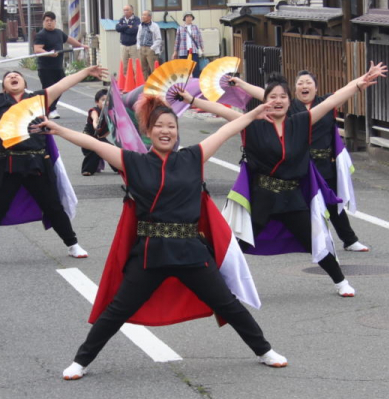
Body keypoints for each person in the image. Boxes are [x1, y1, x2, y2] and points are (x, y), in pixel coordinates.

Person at [41, 97, 288, 379]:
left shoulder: (193, 157)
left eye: (171, 126)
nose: (165, 131)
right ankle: (81, 361)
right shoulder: (133, 162)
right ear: (148, 131)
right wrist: (58, 130)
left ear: (177, 131)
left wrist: (254, 113)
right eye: (159, 125)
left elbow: (225, 131)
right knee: (117, 310)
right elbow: (94, 144)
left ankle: (264, 351)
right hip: (150, 254)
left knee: (228, 304)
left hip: (191, 251)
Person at [186, 64, 387, 297]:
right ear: (264, 101)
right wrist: (191, 100)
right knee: (237, 243)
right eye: (273, 96)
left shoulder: (300, 122)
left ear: (290, 101)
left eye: (283, 96)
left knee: (314, 240)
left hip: (291, 198)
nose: (278, 100)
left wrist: (359, 83)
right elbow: (223, 111)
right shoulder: (252, 124)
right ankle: (209, 284)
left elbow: (331, 101)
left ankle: (341, 282)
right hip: (262, 197)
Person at [0, 64, 107, 266]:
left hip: (37, 164)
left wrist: (85, 72)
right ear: (4, 86)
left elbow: (62, 84)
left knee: (53, 207)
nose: (13, 77)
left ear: (24, 83)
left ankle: (72, 244)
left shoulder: (39, 98)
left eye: (17, 75)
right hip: (5, 166)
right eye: (9, 76)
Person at [231, 70, 369, 253]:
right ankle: (303, 240)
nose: (304, 86)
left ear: (316, 88)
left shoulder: (324, 104)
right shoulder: (290, 107)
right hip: (299, 164)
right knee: (298, 205)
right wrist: (241, 84)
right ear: (294, 91)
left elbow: (344, 91)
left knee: (333, 201)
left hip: (324, 164)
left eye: (308, 83)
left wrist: (361, 80)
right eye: (300, 83)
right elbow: (264, 94)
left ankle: (349, 240)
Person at [32, 11, 85, 119]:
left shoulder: (59, 32)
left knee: (61, 87)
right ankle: (51, 109)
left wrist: (81, 45)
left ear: (55, 21)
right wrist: (49, 53)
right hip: (45, 68)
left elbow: (69, 39)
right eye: (47, 20)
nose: (49, 22)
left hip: (58, 67)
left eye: (51, 20)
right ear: (43, 22)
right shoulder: (41, 35)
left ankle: (48, 108)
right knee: (49, 89)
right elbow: (37, 49)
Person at [81, 88, 111, 176]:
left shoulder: (111, 113)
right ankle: (87, 170)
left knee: (112, 150)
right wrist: (96, 126)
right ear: (97, 102)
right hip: (87, 139)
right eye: (103, 100)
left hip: (99, 139)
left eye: (108, 100)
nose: (106, 102)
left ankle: (119, 168)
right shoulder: (94, 111)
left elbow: (110, 129)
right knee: (95, 149)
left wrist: (103, 137)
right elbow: (95, 119)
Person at [134, 10, 162, 78]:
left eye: (144, 15)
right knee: (143, 69)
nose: (142, 17)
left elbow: (159, 39)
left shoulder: (155, 26)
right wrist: (138, 47)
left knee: (153, 68)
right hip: (142, 48)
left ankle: (155, 83)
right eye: (142, 15)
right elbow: (138, 37)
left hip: (151, 49)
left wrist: (152, 48)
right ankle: (144, 82)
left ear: (149, 17)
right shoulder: (140, 26)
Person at [115, 4, 141, 72]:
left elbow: (135, 30)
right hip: (123, 45)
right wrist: (127, 26)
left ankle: (136, 78)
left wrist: (123, 28)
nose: (125, 12)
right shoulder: (122, 19)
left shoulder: (136, 19)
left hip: (133, 45)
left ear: (132, 11)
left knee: (135, 65)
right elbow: (117, 28)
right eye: (124, 10)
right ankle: (125, 78)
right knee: (124, 65)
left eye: (127, 10)